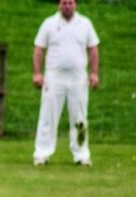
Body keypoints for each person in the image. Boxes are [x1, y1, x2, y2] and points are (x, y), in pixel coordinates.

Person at [32, 0, 100, 166]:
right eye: (64, 3)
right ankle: (42, 153)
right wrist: (37, 73)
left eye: (70, 3)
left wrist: (94, 73)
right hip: (54, 77)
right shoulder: (49, 24)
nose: (67, 6)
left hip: (78, 78)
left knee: (79, 118)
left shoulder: (85, 24)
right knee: (48, 116)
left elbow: (93, 49)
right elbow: (39, 49)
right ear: (59, 5)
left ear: (75, 4)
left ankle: (81, 154)